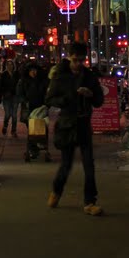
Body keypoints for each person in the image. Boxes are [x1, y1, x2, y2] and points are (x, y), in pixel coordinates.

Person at [44, 41, 105, 216]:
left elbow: (99, 101)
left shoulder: (89, 77)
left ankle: (90, 201)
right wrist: (67, 98)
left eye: (82, 60)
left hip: (84, 124)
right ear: (69, 58)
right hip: (67, 125)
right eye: (75, 60)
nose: (78, 64)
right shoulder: (60, 76)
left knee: (89, 166)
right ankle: (56, 190)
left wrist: (90, 94)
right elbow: (49, 99)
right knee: (66, 164)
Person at [17, 63, 48, 159]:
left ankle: (38, 147)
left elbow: (47, 92)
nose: (34, 72)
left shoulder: (42, 81)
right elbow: (19, 94)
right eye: (31, 71)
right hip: (29, 109)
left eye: (35, 70)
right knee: (32, 130)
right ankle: (33, 149)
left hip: (40, 108)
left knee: (42, 129)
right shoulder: (23, 81)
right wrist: (25, 101)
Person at [0, 59, 20, 136]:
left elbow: (19, 85)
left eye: (11, 64)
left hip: (15, 96)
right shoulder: (4, 74)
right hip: (6, 96)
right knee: (7, 114)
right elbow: (1, 86)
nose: (10, 66)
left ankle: (13, 130)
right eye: (8, 65)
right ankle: (5, 125)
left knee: (14, 115)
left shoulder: (17, 74)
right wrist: (0, 96)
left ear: (14, 65)